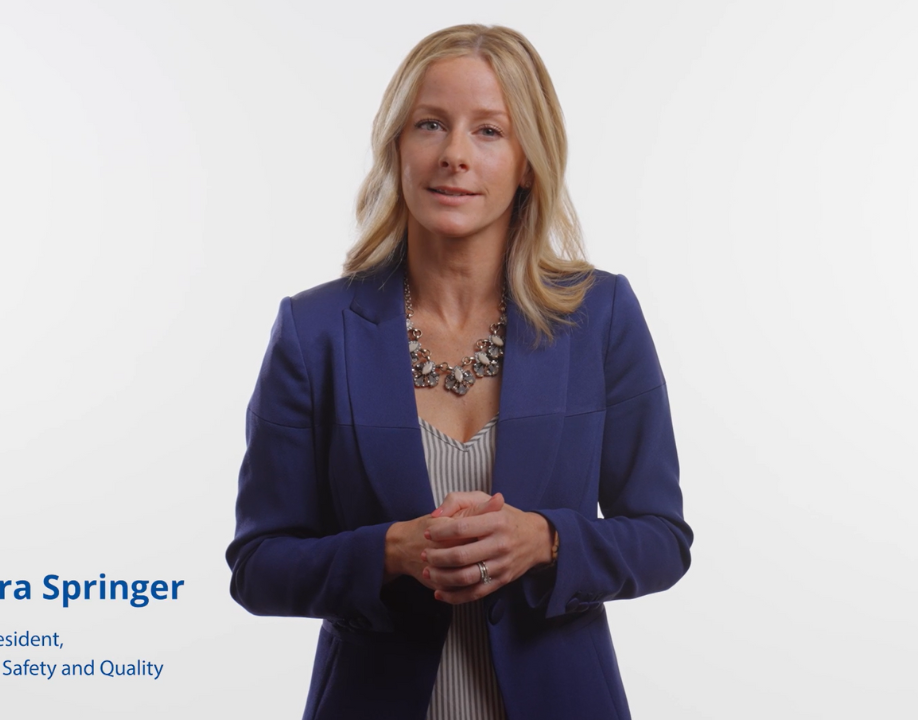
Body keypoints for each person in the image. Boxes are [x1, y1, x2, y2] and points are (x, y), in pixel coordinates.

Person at [226, 24, 691, 720]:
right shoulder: (314, 330)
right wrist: (386, 551)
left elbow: (662, 539)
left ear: (529, 161)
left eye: (489, 132)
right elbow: (258, 566)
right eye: (431, 125)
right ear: (396, 146)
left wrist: (548, 541)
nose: (454, 156)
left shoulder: (602, 316)